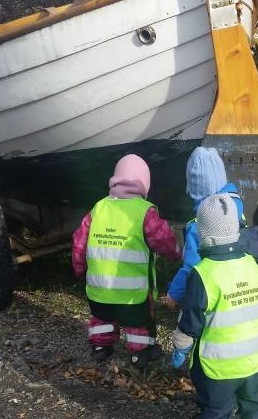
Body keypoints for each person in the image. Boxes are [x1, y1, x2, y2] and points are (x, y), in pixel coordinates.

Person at [72, 154, 181, 368]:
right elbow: (162, 239)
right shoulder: (144, 211)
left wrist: (78, 268)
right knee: (138, 322)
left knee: (101, 318)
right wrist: (177, 253)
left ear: (115, 179)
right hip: (133, 294)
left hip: (99, 287)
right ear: (144, 183)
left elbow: (79, 242)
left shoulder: (98, 208)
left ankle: (101, 348)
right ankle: (140, 354)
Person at [172, 194, 258, 419]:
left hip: (218, 369)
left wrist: (181, 346)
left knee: (216, 411)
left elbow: (191, 321)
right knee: (257, 407)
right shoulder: (253, 265)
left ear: (203, 234)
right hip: (254, 360)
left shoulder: (203, 273)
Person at [165, 147, 244, 309]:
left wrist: (174, 293)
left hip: (212, 290)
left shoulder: (199, 224)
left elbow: (191, 266)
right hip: (239, 284)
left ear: (194, 188)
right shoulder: (236, 205)